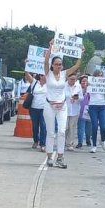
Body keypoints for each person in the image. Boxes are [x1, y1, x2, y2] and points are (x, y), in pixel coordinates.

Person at [43, 39, 84, 168]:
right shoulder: (48, 73)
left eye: (60, 64)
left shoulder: (64, 74)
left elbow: (76, 66)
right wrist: (50, 47)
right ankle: (49, 157)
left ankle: (60, 157)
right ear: (52, 65)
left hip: (62, 106)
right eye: (56, 64)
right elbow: (45, 60)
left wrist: (81, 53)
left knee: (61, 131)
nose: (59, 66)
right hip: (49, 105)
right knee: (51, 133)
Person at [88, 70, 105, 153]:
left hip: (102, 106)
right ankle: (94, 145)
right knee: (94, 126)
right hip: (93, 106)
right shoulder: (91, 83)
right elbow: (87, 91)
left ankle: (103, 140)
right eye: (98, 75)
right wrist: (88, 85)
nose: (99, 77)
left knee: (103, 127)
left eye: (101, 75)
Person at [25, 72, 47, 152]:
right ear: (41, 76)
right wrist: (26, 67)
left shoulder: (49, 85)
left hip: (44, 109)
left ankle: (43, 144)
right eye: (44, 75)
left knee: (43, 126)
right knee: (35, 126)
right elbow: (27, 75)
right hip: (34, 108)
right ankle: (35, 141)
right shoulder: (34, 82)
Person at [64, 73, 83, 151]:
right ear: (67, 79)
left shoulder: (78, 86)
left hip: (75, 110)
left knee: (72, 127)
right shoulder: (63, 86)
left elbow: (82, 98)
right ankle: (64, 141)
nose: (72, 81)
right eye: (71, 79)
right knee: (65, 127)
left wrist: (76, 98)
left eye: (74, 79)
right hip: (64, 109)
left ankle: (70, 143)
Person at [76, 75, 92, 148]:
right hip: (80, 111)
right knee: (80, 128)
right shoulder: (78, 89)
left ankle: (88, 140)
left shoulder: (91, 89)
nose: (84, 82)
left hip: (89, 111)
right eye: (83, 81)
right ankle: (80, 142)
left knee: (89, 128)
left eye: (86, 81)